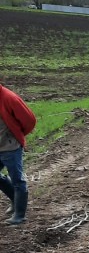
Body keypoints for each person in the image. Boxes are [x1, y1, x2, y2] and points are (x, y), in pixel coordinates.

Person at [0, 81, 36, 226]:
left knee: (18, 180)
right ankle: (15, 201)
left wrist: (17, 136)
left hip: (10, 147)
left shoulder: (9, 98)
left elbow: (29, 120)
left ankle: (19, 215)